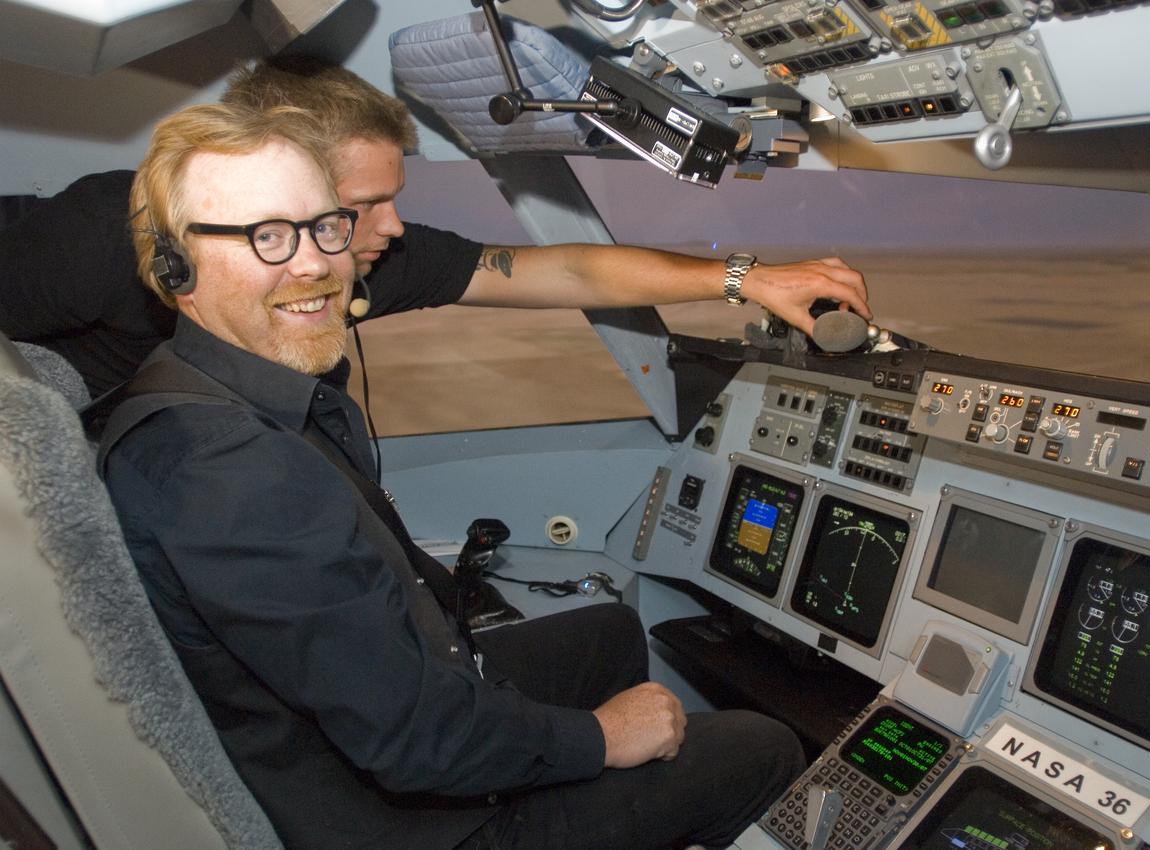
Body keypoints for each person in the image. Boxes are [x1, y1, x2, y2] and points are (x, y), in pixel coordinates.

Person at [99, 100, 806, 850]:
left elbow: (560, 268)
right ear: (173, 264)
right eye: (264, 236)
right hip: (412, 821)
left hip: (382, 718)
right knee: (759, 747)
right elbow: (415, 740)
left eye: (323, 226)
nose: (312, 263)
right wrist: (599, 739)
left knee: (610, 633)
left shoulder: (211, 386)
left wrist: (741, 278)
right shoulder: (227, 468)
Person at [0, 56, 871, 398]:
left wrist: (747, 278)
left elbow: (562, 273)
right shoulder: (97, 238)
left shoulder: (361, 265)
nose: (391, 228)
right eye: (357, 208)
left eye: (390, 198)